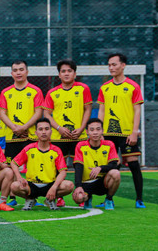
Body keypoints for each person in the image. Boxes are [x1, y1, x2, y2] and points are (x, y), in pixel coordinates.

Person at [42, 59, 92, 207]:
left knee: (80, 166)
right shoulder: (52, 92)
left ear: (75, 74)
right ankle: (58, 197)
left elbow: (88, 109)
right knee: (57, 168)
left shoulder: (83, 89)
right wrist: (59, 128)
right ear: (59, 75)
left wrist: (82, 128)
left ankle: (82, 195)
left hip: (79, 135)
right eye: (63, 71)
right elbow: (47, 114)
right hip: (59, 136)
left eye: (69, 71)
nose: (66, 73)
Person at [98, 53, 145, 208]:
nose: (111, 67)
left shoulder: (133, 86)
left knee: (133, 165)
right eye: (109, 65)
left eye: (114, 64)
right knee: (109, 166)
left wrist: (134, 131)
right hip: (108, 133)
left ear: (123, 65)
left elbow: (137, 110)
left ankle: (139, 199)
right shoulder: (104, 87)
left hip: (126, 133)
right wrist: (99, 130)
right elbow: (102, 111)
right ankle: (108, 198)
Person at [0, 60, 43, 206]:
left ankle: (31, 196)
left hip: (30, 135)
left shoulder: (35, 91)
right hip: (12, 136)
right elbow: (2, 113)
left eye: (21, 69)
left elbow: (38, 112)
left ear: (27, 72)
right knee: (11, 165)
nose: (18, 72)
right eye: (15, 70)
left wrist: (24, 127)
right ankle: (12, 197)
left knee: (31, 166)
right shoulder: (6, 92)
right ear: (11, 73)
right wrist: (14, 127)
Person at [9, 118, 74, 210]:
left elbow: (63, 171)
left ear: (51, 132)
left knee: (69, 185)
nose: (44, 132)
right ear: (36, 133)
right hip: (31, 185)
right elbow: (14, 163)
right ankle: (30, 199)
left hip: (50, 185)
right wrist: (19, 177)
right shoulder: (29, 148)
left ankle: (50, 199)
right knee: (14, 186)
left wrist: (54, 187)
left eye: (46, 129)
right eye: (40, 129)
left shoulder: (56, 150)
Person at [71, 118, 121, 210]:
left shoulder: (109, 144)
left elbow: (114, 165)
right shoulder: (81, 146)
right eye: (92, 130)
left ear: (102, 131)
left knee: (116, 173)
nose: (95, 132)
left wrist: (100, 168)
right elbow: (78, 167)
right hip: (86, 183)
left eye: (98, 129)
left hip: (102, 182)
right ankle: (87, 198)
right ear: (87, 132)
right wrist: (78, 186)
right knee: (78, 198)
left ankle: (109, 199)